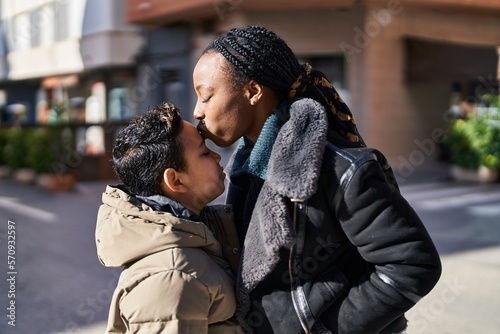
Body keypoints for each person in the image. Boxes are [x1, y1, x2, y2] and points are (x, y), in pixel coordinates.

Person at [192, 25, 442, 334]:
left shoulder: (341, 168)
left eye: (205, 97)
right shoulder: (247, 168)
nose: (197, 111)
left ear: (253, 92)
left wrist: (328, 328)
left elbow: (413, 264)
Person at [95, 103, 243, 334]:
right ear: (175, 180)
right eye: (204, 152)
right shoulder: (173, 277)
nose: (216, 156)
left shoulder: (195, 234)